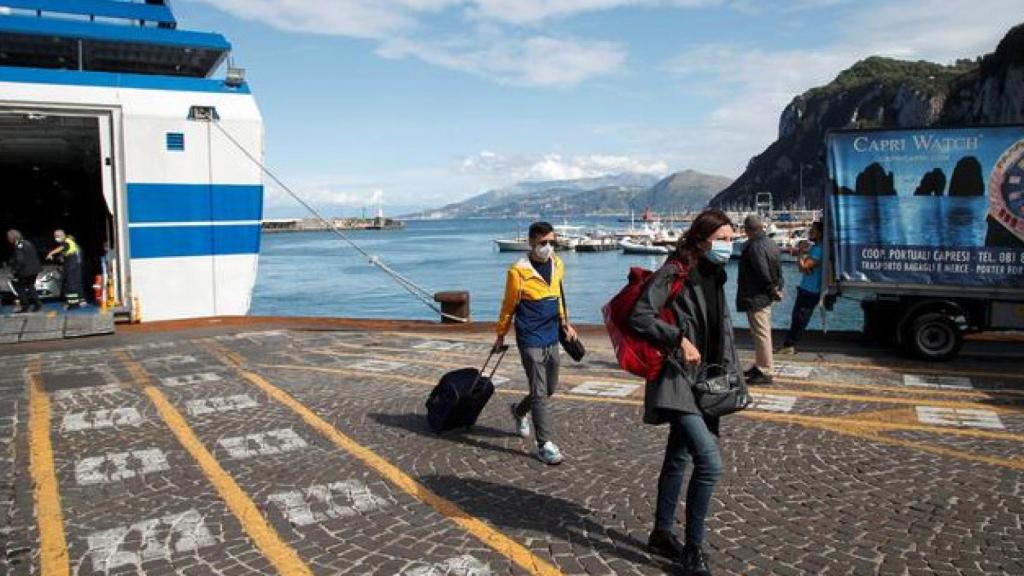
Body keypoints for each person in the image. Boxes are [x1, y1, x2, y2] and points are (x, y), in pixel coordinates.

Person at [630, 209, 741, 576]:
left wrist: (731, 374)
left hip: (706, 382)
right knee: (709, 462)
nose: (728, 245)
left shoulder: (717, 273)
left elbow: (721, 328)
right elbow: (640, 316)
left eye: (732, 239)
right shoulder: (675, 270)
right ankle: (693, 548)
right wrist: (678, 339)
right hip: (677, 377)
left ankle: (661, 533)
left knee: (678, 458)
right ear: (701, 239)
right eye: (722, 239)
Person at [494, 221, 576, 465]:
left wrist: (565, 323)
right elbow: (508, 306)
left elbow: (559, 296)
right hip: (529, 336)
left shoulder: (557, 264)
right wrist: (500, 335)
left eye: (552, 242)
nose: (548, 247)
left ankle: (519, 411)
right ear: (531, 242)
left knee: (548, 388)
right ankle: (544, 445)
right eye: (543, 242)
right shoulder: (517, 272)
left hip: (552, 334)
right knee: (539, 391)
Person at [735, 214, 782, 386]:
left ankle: (765, 370)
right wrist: (778, 288)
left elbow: (762, 271)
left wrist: (771, 288)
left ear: (747, 230)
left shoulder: (754, 246)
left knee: (761, 334)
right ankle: (760, 365)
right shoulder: (771, 243)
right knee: (761, 332)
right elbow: (778, 268)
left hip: (756, 295)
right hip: (765, 295)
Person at [779, 221, 823, 355]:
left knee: (800, 318)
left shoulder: (818, 249)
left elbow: (803, 267)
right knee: (797, 317)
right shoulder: (816, 247)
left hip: (810, 289)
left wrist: (801, 253)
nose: (810, 232)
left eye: (813, 230)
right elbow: (806, 268)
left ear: (820, 234)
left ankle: (789, 345)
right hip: (807, 287)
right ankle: (789, 345)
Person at [6, 229, 42, 313]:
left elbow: (20, 260)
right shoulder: (27, 242)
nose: (8, 239)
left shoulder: (19, 245)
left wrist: (14, 272)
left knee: (19, 287)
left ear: (12, 237)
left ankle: (25, 306)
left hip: (26, 271)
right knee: (30, 286)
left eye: (8, 237)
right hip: (34, 270)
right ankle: (37, 304)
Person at [45, 229, 84, 308]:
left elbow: (61, 248)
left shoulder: (67, 242)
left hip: (72, 267)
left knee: (71, 285)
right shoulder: (69, 243)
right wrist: (62, 257)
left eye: (57, 236)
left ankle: (73, 304)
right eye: (55, 236)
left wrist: (51, 253)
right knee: (73, 284)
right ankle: (75, 302)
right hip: (73, 266)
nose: (56, 238)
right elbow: (66, 252)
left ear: (62, 235)